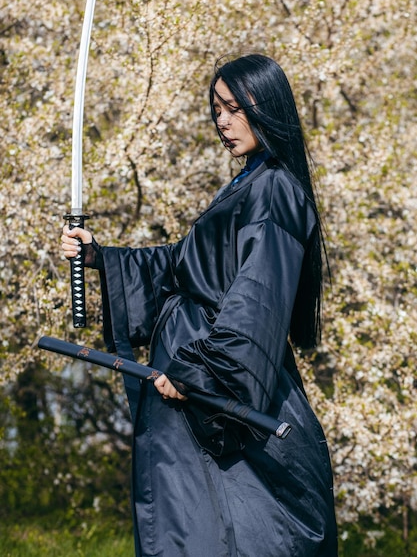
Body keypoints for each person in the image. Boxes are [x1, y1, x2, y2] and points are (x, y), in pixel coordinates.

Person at [62, 53, 338, 556]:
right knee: (189, 527)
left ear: (269, 107)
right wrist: (101, 257)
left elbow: (258, 293)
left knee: (228, 531)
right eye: (217, 110)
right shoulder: (245, 182)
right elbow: (188, 266)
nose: (223, 122)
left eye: (236, 109)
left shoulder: (274, 188)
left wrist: (202, 375)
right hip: (192, 376)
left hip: (218, 387)